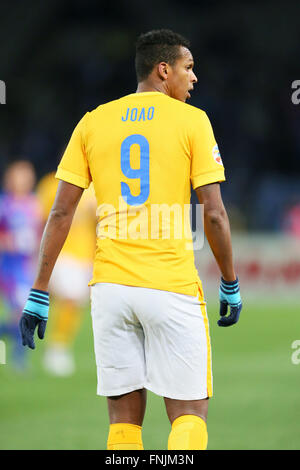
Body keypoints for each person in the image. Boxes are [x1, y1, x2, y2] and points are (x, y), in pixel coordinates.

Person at [19, 29, 242, 450]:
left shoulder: (93, 120)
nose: (194, 78)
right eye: (188, 68)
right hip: (169, 284)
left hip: (110, 289)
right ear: (163, 70)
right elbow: (213, 212)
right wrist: (229, 282)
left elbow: (61, 212)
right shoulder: (193, 121)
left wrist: (38, 291)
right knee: (189, 415)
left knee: (123, 424)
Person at [36, 171, 96, 376]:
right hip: (62, 252)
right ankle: (57, 348)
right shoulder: (51, 184)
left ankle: (58, 346)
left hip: (86, 255)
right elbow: (43, 218)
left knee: (73, 303)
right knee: (70, 298)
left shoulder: (96, 187)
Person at [0, 160, 42, 370]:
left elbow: (40, 235)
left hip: (26, 268)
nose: (24, 180)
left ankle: (14, 358)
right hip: (8, 268)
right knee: (21, 312)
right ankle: (18, 360)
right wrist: (12, 241)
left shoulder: (34, 204)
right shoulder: (4, 205)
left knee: (24, 314)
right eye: (20, 175)